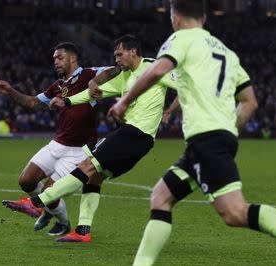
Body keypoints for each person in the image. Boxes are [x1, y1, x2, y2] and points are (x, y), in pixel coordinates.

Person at [107, 1, 276, 266]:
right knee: (161, 197)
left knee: (235, 213)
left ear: (175, 17)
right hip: (212, 139)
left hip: (206, 139)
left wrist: (123, 102)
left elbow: (157, 69)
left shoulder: (181, 39)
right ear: (204, 17)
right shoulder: (227, 53)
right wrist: (229, 131)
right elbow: (250, 101)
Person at [11, 34, 177, 242]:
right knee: (94, 176)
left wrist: (172, 109)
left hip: (135, 133)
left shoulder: (154, 68)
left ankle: (37, 202)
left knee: (88, 165)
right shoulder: (125, 77)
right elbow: (94, 93)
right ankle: (83, 231)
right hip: (135, 138)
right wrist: (68, 102)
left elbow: (184, 85)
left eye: (119, 54)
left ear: (133, 52)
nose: (116, 59)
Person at [0, 42, 118, 235]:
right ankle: (50, 211)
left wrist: (94, 83)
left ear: (73, 58)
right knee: (26, 181)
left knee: (48, 194)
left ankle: (63, 222)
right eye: (54, 59)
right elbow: (33, 103)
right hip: (58, 144)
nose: (55, 62)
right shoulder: (58, 85)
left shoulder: (88, 75)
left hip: (79, 151)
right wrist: (10, 91)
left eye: (59, 58)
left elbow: (114, 69)